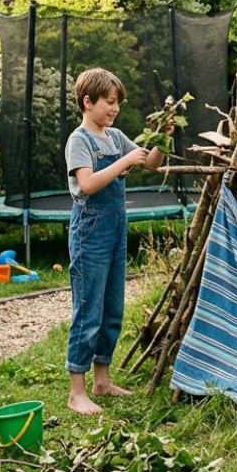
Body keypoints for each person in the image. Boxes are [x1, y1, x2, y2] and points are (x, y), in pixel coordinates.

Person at [63, 68, 171, 415]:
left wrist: (161, 139)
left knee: (112, 308)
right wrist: (125, 160)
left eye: (118, 103)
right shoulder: (80, 140)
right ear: (88, 102)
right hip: (90, 229)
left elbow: (151, 164)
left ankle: (102, 381)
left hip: (116, 229)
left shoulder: (114, 136)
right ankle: (76, 392)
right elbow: (89, 184)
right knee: (88, 309)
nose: (115, 109)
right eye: (109, 102)